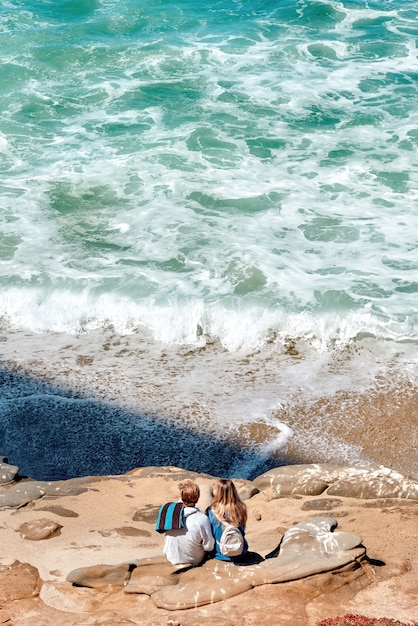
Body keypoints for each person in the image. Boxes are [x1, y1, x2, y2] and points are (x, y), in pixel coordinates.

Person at [163, 479, 215, 566]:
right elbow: (209, 547)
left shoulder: (170, 513)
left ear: (181, 497)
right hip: (193, 559)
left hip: (171, 557)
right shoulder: (202, 519)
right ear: (197, 497)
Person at [206, 478, 248, 561]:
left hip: (220, 553)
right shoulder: (241, 509)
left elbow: (209, 534)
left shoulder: (211, 511)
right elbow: (242, 532)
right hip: (240, 552)